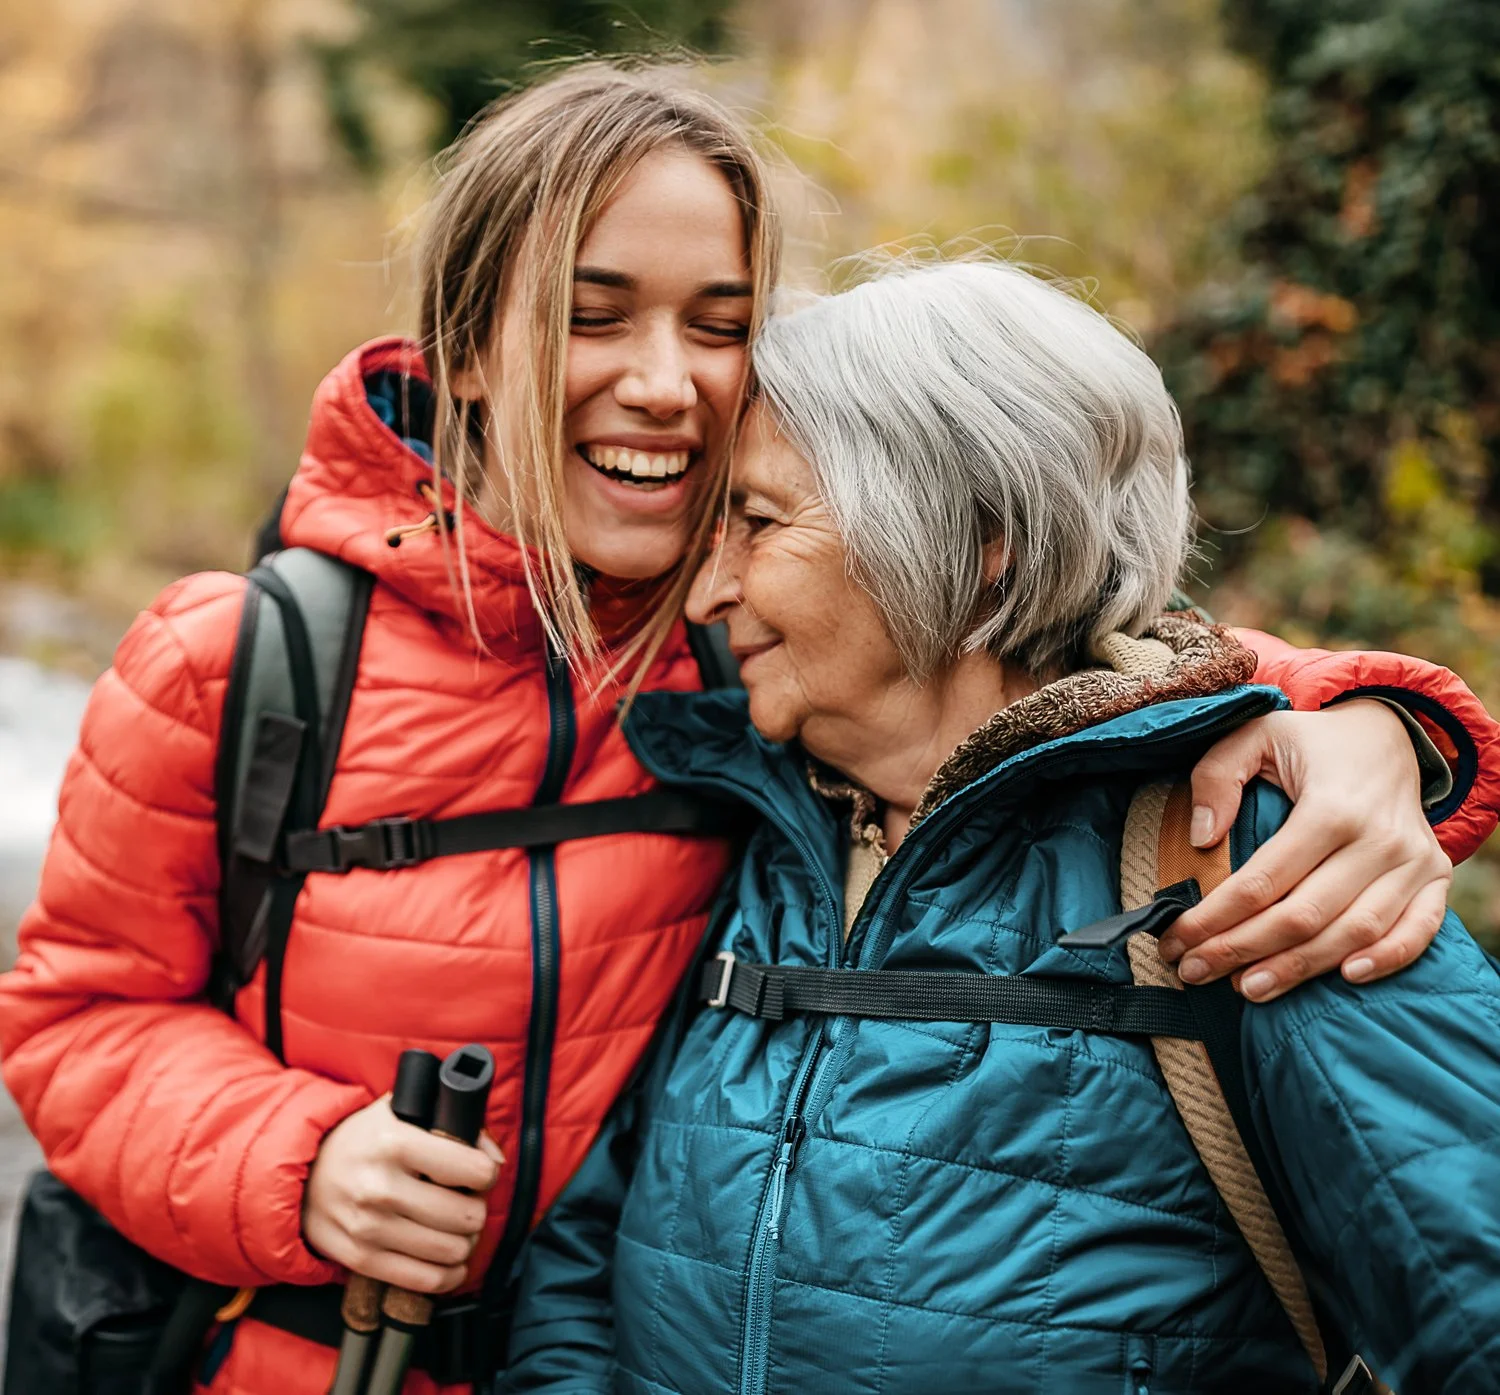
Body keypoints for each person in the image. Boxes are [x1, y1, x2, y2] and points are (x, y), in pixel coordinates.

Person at [0, 65, 1493, 1395]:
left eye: (720, 325)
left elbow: (1069, 646)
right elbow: (71, 1016)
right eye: (591, 314)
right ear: (459, 347)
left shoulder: (753, 659)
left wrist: (1354, 716)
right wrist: (298, 1160)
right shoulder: (248, 655)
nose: (664, 379)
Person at [498, 260, 1500, 1394]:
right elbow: (581, 1274)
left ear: (979, 540)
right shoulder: (752, 846)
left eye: (759, 523)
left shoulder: (1250, 858)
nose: (705, 595)